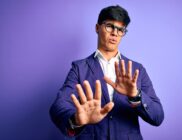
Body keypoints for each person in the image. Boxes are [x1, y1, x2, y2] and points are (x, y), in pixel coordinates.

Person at [50, 5, 164, 140]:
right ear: (97, 28)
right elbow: (58, 106)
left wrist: (136, 95)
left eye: (121, 29)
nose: (115, 33)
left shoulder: (137, 70)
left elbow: (157, 116)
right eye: (110, 26)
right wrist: (76, 120)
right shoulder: (79, 68)